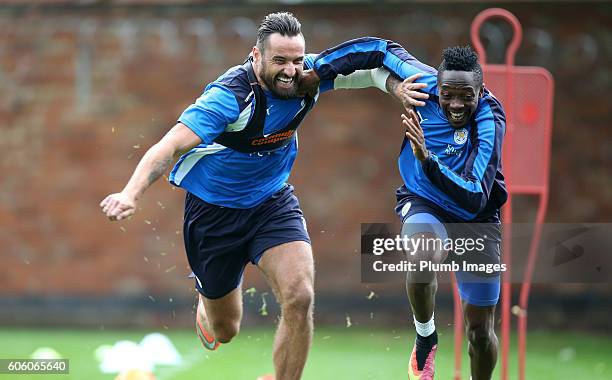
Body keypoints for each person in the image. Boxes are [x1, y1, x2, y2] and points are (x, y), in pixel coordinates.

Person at [99, 12, 425, 380]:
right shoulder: (229, 98)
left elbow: (364, 72)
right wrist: (131, 193)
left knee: (300, 296)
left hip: (272, 203)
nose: (291, 71)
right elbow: (168, 146)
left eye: (297, 60)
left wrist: (397, 88)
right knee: (226, 331)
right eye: (280, 61)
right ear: (256, 56)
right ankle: (208, 307)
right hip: (213, 215)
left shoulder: (309, 78)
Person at [394, 47, 506, 380]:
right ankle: (426, 336)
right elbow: (378, 52)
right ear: (437, 90)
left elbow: (474, 198)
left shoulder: (491, 118)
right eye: (448, 95)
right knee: (421, 253)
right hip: (426, 203)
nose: (455, 105)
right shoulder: (422, 89)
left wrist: (428, 160)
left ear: (480, 93)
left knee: (481, 333)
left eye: (465, 96)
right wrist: (316, 71)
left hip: (478, 219)